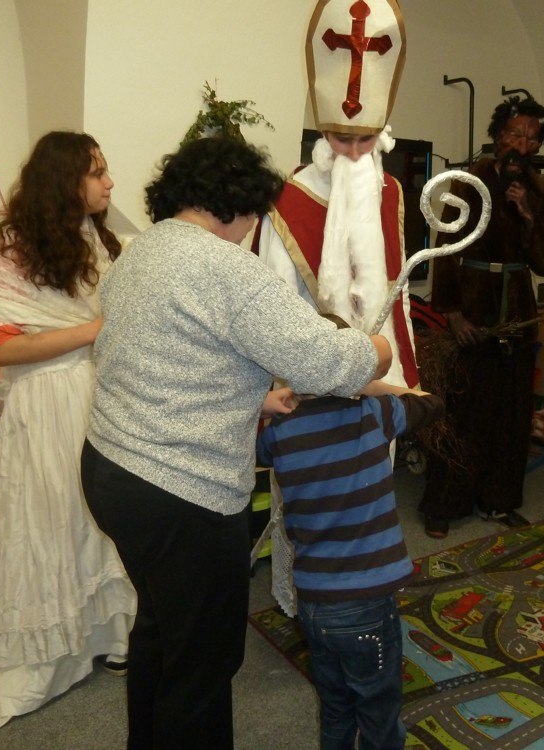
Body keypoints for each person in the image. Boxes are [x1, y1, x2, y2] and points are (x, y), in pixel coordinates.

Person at [79, 135, 393, 749]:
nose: (253, 228)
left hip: (111, 470)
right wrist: (379, 348)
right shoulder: (227, 268)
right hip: (179, 494)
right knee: (202, 661)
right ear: (237, 203)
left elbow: (159, 355)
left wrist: (250, 399)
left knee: (162, 631)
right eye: (254, 215)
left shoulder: (142, 252)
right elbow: (327, 363)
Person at [0, 131, 136, 729]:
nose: (109, 182)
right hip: (48, 399)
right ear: (65, 181)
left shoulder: (100, 240)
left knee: (98, 519)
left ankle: (110, 636)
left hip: (97, 394)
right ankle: (50, 659)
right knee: (53, 517)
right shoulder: (15, 253)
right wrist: (94, 331)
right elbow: (5, 349)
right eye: (97, 172)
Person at [255, 0, 414, 615]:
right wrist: (302, 378)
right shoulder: (288, 200)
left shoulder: (390, 191)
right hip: (309, 391)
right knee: (312, 501)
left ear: (382, 133)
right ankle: (303, 603)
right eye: (340, 138)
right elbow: (272, 303)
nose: (351, 152)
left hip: (373, 383)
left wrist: (396, 375)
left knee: (369, 494)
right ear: (322, 133)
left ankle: (366, 590)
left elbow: (396, 290)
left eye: (363, 139)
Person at [256, 373, 444, 750]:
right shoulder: (373, 413)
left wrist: (268, 406)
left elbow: (250, 451)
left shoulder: (279, 432)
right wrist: (369, 384)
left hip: (313, 601)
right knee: (378, 712)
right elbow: (433, 402)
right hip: (366, 602)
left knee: (336, 707)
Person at [419, 94, 544, 539]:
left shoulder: (538, 191)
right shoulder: (468, 183)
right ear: (499, 135)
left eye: (531, 138)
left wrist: (527, 215)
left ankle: (498, 501)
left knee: (511, 415)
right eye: (515, 134)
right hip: (473, 311)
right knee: (462, 413)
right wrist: (454, 315)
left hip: (518, 314)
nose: (522, 144)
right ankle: (444, 504)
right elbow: (445, 251)